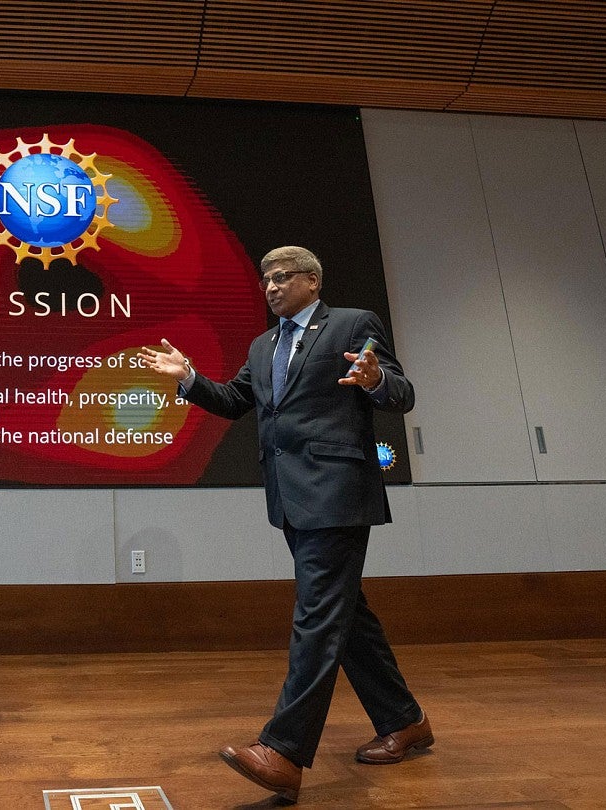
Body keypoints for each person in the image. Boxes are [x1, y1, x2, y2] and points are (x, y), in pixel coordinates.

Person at [136, 246, 433, 804]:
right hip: (290, 498)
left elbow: (401, 391)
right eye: (265, 279)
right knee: (345, 615)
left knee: (318, 615)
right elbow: (234, 401)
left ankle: (285, 751)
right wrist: (190, 378)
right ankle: (405, 719)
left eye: (282, 277)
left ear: (312, 281)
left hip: (339, 492)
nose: (270, 287)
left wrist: (373, 380)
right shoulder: (263, 345)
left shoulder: (351, 323)